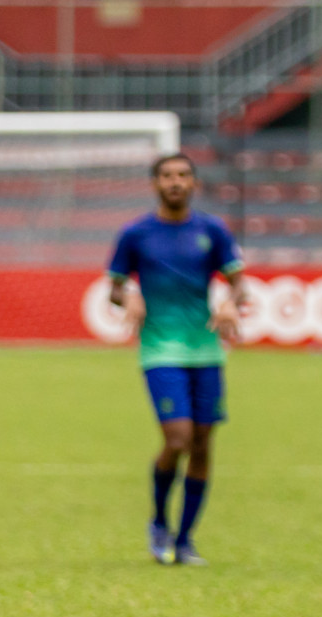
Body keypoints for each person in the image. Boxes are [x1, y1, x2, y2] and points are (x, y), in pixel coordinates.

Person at [108, 153, 247, 566]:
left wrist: (228, 302)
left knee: (203, 444)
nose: (175, 182)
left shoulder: (212, 230)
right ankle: (158, 521)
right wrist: (129, 295)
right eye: (167, 176)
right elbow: (114, 287)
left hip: (206, 350)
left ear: (194, 184)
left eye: (183, 175)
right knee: (178, 439)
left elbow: (238, 282)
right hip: (160, 351)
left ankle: (185, 540)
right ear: (155, 184)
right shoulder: (136, 233)